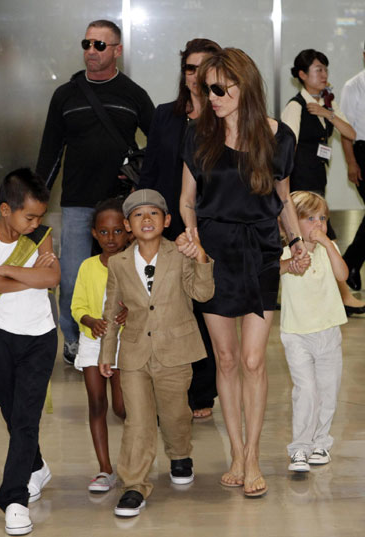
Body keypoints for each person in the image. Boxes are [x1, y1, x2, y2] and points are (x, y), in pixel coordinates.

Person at [180, 48, 304, 497]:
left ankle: (252, 456)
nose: (210, 97)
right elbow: (187, 200)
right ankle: (235, 451)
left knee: (254, 360)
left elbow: (284, 198)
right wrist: (191, 236)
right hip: (214, 255)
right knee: (226, 359)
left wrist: (296, 241)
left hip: (262, 253)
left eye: (219, 88)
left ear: (243, 86)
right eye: (206, 88)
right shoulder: (198, 136)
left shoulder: (278, 137)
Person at [36, 19, 155, 365]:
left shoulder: (133, 95)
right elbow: (50, 150)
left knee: (122, 276)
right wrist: (37, 199)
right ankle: (73, 341)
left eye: (100, 45)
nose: (91, 51)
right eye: (87, 44)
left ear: (117, 50)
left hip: (119, 205)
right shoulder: (65, 95)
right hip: (76, 202)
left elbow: (158, 144)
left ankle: (124, 339)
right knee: (72, 278)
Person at [99, 189, 214, 517]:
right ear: (127, 225)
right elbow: (111, 309)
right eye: (137, 215)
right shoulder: (119, 263)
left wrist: (200, 256)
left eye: (153, 213)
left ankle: (180, 453)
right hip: (134, 352)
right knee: (138, 421)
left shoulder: (180, 254)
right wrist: (107, 351)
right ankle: (133, 485)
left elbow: (203, 293)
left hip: (176, 350)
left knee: (176, 413)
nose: (145, 219)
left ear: (166, 220)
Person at [0, 168, 60, 535]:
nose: (37, 222)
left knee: (25, 418)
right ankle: (36, 464)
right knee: (6, 403)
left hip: (40, 338)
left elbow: (51, 279)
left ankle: (14, 498)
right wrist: (26, 276)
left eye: (40, 216)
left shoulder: (42, 236)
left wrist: (6, 270)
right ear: (6, 210)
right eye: (30, 216)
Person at [139, 38, 221, 419]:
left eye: (204, 68)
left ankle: (203, 392)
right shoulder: (164, 115)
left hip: (214, 227)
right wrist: (147, 222)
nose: (195, 75)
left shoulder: (226, 115)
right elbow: (151, 171)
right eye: (189, 68)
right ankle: (169, 391)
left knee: (207, 310)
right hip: (169, 227)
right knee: (170, 312)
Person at [281, 49, 364, 316]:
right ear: (302, 75)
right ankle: (345, 296)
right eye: (317, 69)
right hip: (299, 183)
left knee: (315, 238)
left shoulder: (327, 104)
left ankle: (332, 295)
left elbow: (350, 132)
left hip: (317, 181)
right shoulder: (295, 106)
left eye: (325, 69)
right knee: (319, 235)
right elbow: (286, 147)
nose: (324, 74)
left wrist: (327, 114)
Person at [280, 191, 347, 472]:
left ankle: (321, 442)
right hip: (297, 333)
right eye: (310, 219)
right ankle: (300, 447)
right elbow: (272, 272)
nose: (318, 224)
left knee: (328, 390)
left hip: (329, 330)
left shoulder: (327, 249)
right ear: (292, 223)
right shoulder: (285, 252)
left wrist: (328, 244)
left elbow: (343, 275)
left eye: (322, 218)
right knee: (305, 390)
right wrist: (293, 263)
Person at [71, 198, 127, 492]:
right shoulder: (88, 267)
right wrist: (91, 321)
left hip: (123, 345)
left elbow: (146, 301)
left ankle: (133, 459)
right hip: (92, 343)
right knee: (97, 404)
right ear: (94, 233)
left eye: (117, 231)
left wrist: (130, 312)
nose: (111, 239)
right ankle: (105, 469)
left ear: (128, 231)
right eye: (103, 233)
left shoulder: (134, 265)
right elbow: (76, 305)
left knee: (121, 407)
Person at [340, 44, 365, 293]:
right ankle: (350, 263)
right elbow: (346, 130)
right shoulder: (353, 86)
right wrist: (351, 162)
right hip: (363, 151)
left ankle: (351, 264)